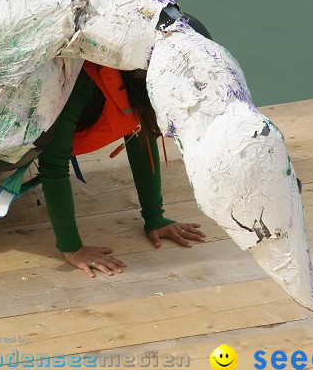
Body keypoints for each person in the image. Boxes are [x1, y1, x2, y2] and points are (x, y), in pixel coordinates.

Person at [38, 61, 205, 277]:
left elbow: (139, 131)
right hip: (46, 115)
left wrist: (154, 216)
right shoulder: (82, 84)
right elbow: (52, 165)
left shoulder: (137, 83)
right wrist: (72, 249)